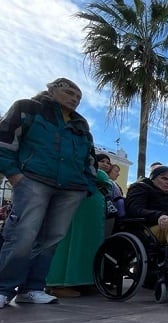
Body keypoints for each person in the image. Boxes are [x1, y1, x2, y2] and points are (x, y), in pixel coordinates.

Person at [0, 77, 96, 308]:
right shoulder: (28, 108)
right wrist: (14, 175)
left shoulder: (81, 126)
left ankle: (33, 288)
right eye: (69, 92)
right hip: (33, 180)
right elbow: (5, 140)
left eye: (78, 97)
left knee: (51, 239)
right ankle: (3, 288)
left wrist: (87, 187)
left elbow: (89, 160)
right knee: (22, 234)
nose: (74, 99)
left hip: (71, 189)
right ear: (52, 89)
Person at [45, 156, 112, 298]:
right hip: (79, 205)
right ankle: (59, 283)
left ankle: (82, 281)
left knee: (87, 245)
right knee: (71, 242)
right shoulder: (82, 167)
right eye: (102, 162)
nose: (106, 165)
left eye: (108, 163)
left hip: (91, 209)